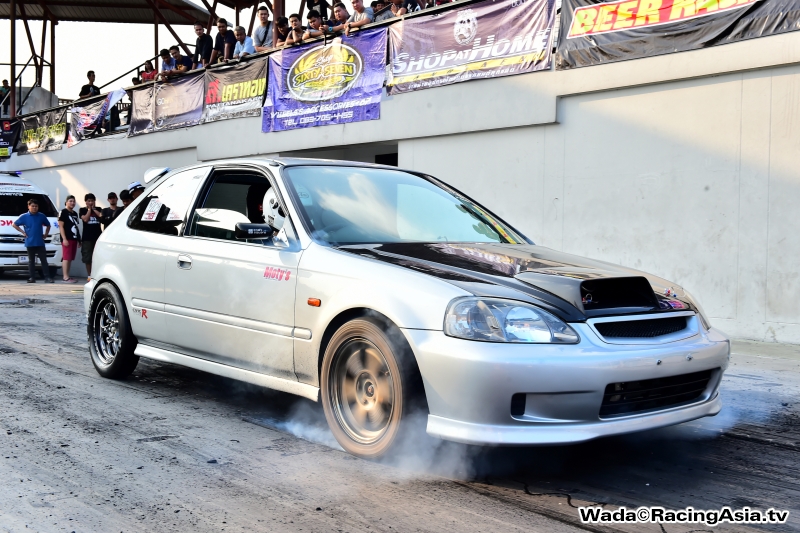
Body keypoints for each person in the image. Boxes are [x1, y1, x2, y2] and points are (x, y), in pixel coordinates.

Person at [11, 199, 54, 284]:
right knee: (31, 261)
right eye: (33, 206)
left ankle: (47, 277)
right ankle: (32, 277)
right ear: (28, 206)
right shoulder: (24, 216)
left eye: (36, 206)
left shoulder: (41, 216)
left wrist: (45, 235)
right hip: (30, 242)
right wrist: (23, 232)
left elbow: (48, 225)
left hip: (40, 242)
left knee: (43, 260)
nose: (34, 208)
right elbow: (14, 224)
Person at [79, 193, 103, 281]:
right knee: (88, 257)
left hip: (97, 237)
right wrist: (89, 210)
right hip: (87, 238)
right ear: (86, 202)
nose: (90, 202)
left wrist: (93, 209)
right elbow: (85, 219)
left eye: (92, 200)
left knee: (97, 257)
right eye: (88, 201)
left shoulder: (99, 209)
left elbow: (101, 216)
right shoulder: (82, 210)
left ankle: (97, 275)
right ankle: (89, 276)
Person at [58, 195, 81, 283]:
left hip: (74, 238)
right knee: (66, 257)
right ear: (66, 202)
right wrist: (64, 239)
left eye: (73, 201)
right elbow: (61, 227)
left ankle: (68, 275)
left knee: (70, 258)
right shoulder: (63, 212)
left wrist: (79, 239)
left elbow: (76, 226)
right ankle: (65, 277)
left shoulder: (75, 213)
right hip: (67, 238)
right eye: (70, 201)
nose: (72, 203)